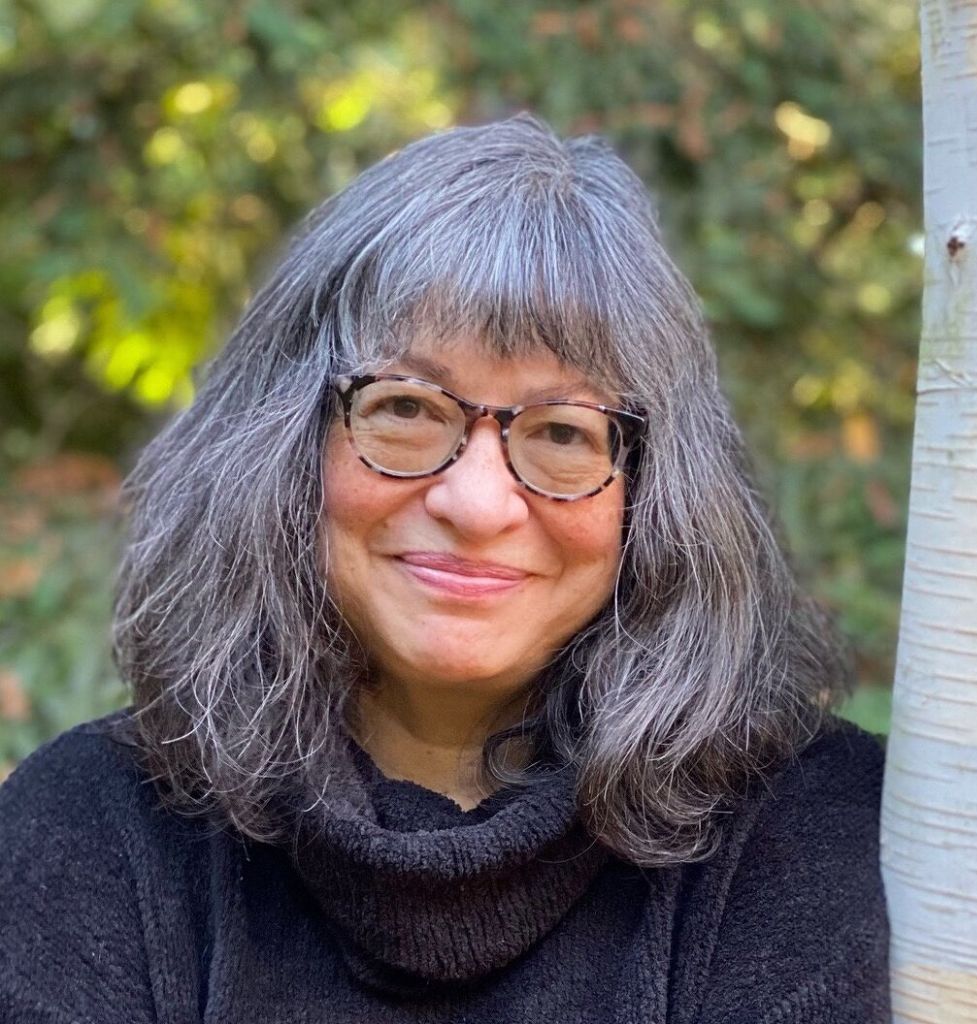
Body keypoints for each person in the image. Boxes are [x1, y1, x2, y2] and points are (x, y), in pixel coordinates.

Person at [0, 112, 890, 1023]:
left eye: (562, 433)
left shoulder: (809, 830)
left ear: (658, 490)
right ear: (283, 443)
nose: (476, 503)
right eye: (406, 409)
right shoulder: (88, 830)